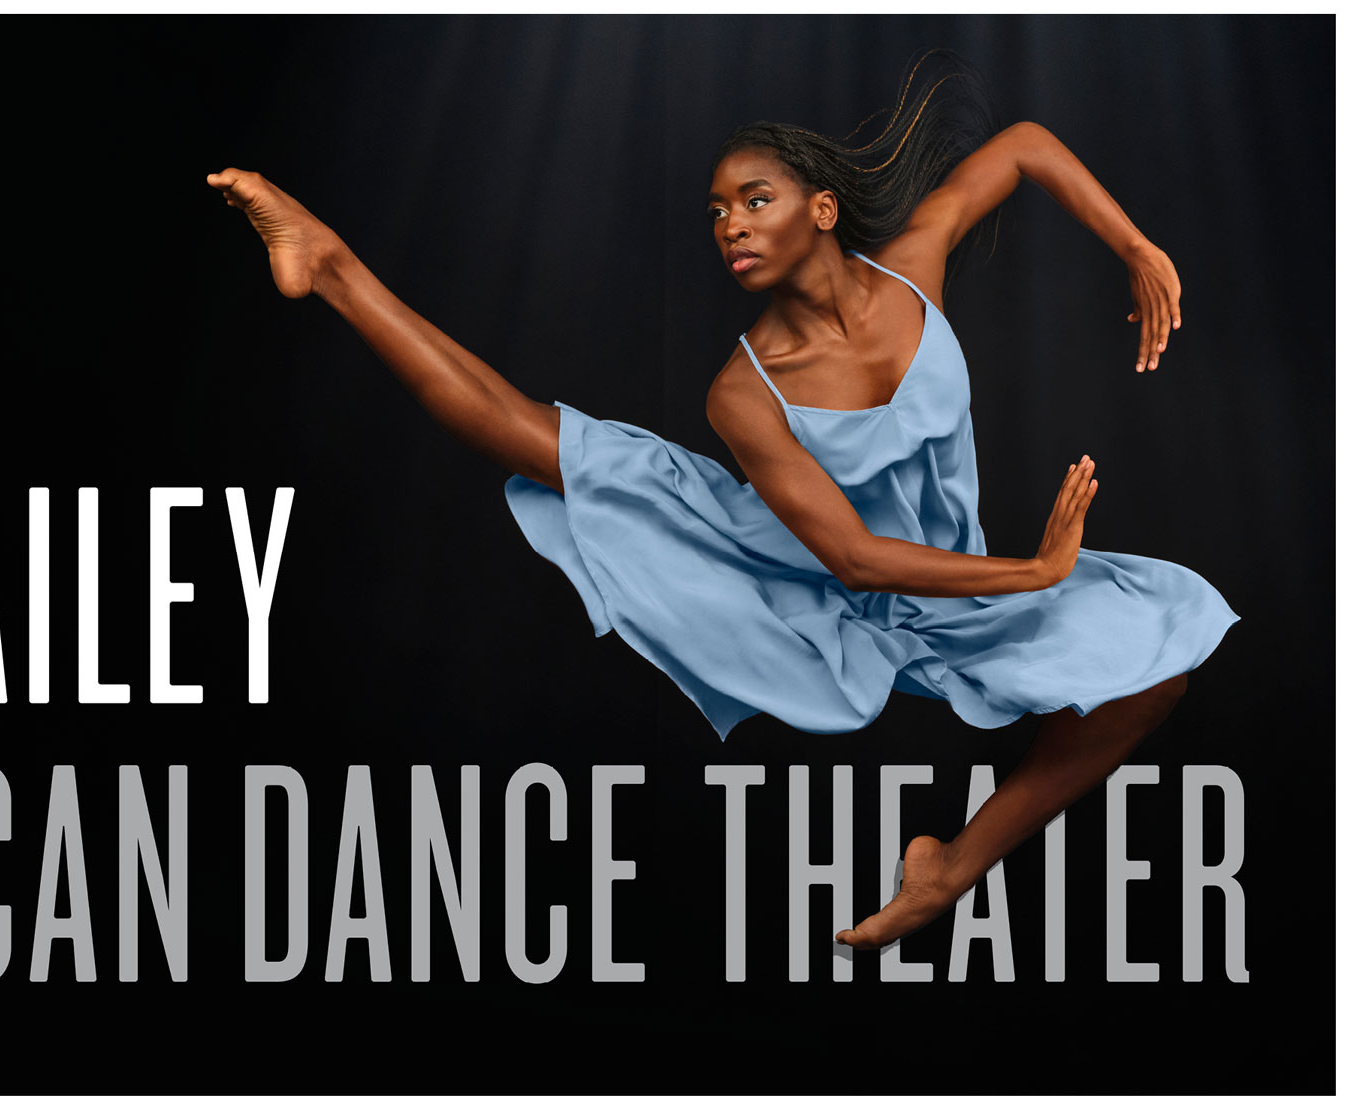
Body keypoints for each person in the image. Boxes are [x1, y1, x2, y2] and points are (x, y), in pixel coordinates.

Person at [204, 51, 1237, 951]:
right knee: (540, 438)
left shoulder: (911, 273)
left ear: (821, 210)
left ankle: (951, 866)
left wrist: (1136, 246)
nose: (728, 225)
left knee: (1165, 652)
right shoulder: (745, 391)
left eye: (753, 199)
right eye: (716, 211)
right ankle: (332, 263)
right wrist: (1037, 570)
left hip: (959, 588)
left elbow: (1020, 147)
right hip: (806, 573)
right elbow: (853, 559)